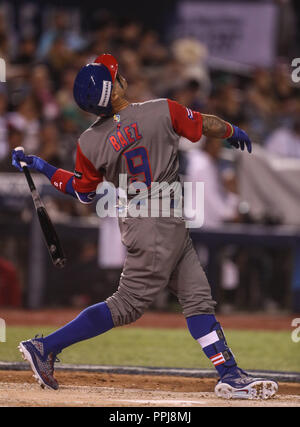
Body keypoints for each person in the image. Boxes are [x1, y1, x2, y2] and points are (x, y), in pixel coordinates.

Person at [12, 54, 277, 400]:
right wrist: (230, 130)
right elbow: (205, 124)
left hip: (150, 222)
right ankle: (45, 346)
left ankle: (228, 373)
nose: (121, 76)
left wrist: (42, 165)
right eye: (117, 75)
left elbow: (82, 192)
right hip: (157, 224)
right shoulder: (160, 110)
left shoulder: (89, 142)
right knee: (127, 304)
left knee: (197, 298)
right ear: (116, 88)